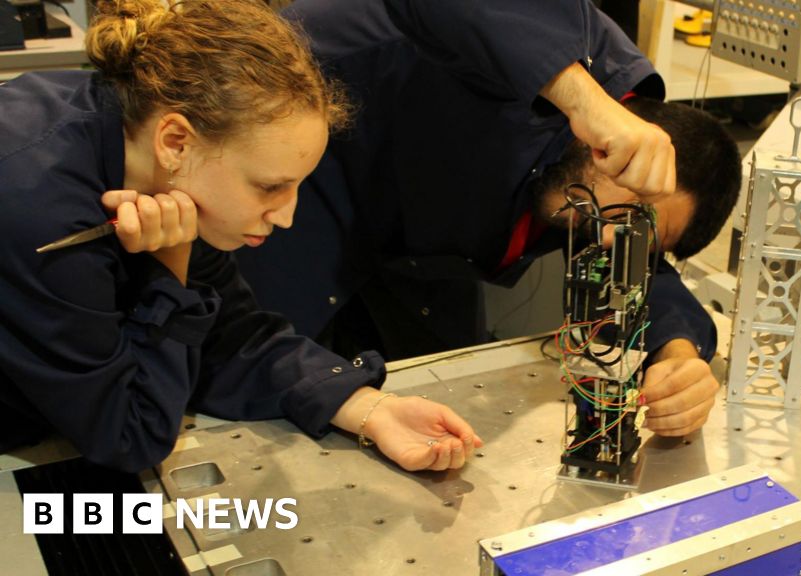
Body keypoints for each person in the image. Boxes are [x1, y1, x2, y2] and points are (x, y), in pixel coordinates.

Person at [0, 0, 481, 474]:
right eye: (269, 186)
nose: (286, 217)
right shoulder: (37, 206)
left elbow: (231, 336)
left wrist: (366, 406)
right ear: (176, 142)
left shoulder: (166, 164)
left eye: (297, 185)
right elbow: (131, 435)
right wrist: (169, 264)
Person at [235, 0, 742, 438]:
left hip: (413, 245)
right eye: (629, 215)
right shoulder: (582, 51)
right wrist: (581, 97)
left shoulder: (598, 201)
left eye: (638, 238)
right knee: (256, 386)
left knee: (435, 403)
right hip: (298, 181)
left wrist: (678, 354)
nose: (611, 237)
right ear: (629, 132)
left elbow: (640, 277)